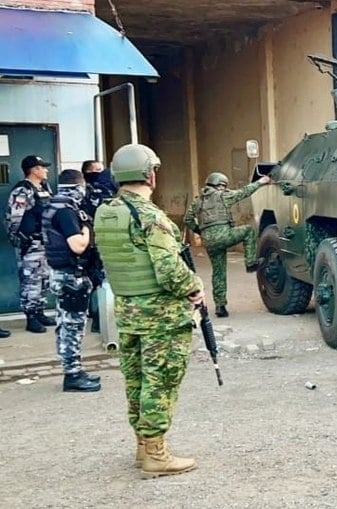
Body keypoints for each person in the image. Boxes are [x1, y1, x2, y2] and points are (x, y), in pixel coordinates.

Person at [94, 143, 204, 478]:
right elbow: (170, 271)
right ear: (150, 175)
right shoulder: (151, 217)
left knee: (137, 379)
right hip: (161, 317)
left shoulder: (108, 212)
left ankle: (143, 446)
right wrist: (194, 287)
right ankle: (157, 455)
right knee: (161, 381)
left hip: (127, 311)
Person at [42, 169, 102, 392]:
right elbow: (77, 245)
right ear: (77, 187)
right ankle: (73, 375)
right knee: (72, 327)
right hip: (69, 276)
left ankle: (75, 370)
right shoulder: (66, 211)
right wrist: (86, 229)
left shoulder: (53, 205)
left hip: (65, 274)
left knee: (67, 326)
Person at [184, 171, 271, 318]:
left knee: (218, 272)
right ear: (219, 185)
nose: (225, 188)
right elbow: (243, 192)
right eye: (224, 186)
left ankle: (220, 306)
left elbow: (188, 219)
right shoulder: (222, 195)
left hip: (209, 241)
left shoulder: (198, 201)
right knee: (248, 231)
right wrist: (261, 182)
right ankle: (250, 263)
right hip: (224, 235)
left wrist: (200, 231)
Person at [5, 155, 55, 333]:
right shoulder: (22, 191)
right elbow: (13, 219)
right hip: (30, 244)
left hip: (45, 243)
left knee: (43, 280)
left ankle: (40, 311)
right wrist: (20, 242)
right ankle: (31, 317)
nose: (46, 170)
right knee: (31, 281)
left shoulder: (44, 188)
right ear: (34, 170)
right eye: (43, 167)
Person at [81, 159, 119, 334]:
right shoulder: (104, 192)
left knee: (95, 280)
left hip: (92, 243)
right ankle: (98, 318)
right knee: (100, 281)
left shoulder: (85, 192)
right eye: (97, 170)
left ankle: (95, 316)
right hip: (99, 244)